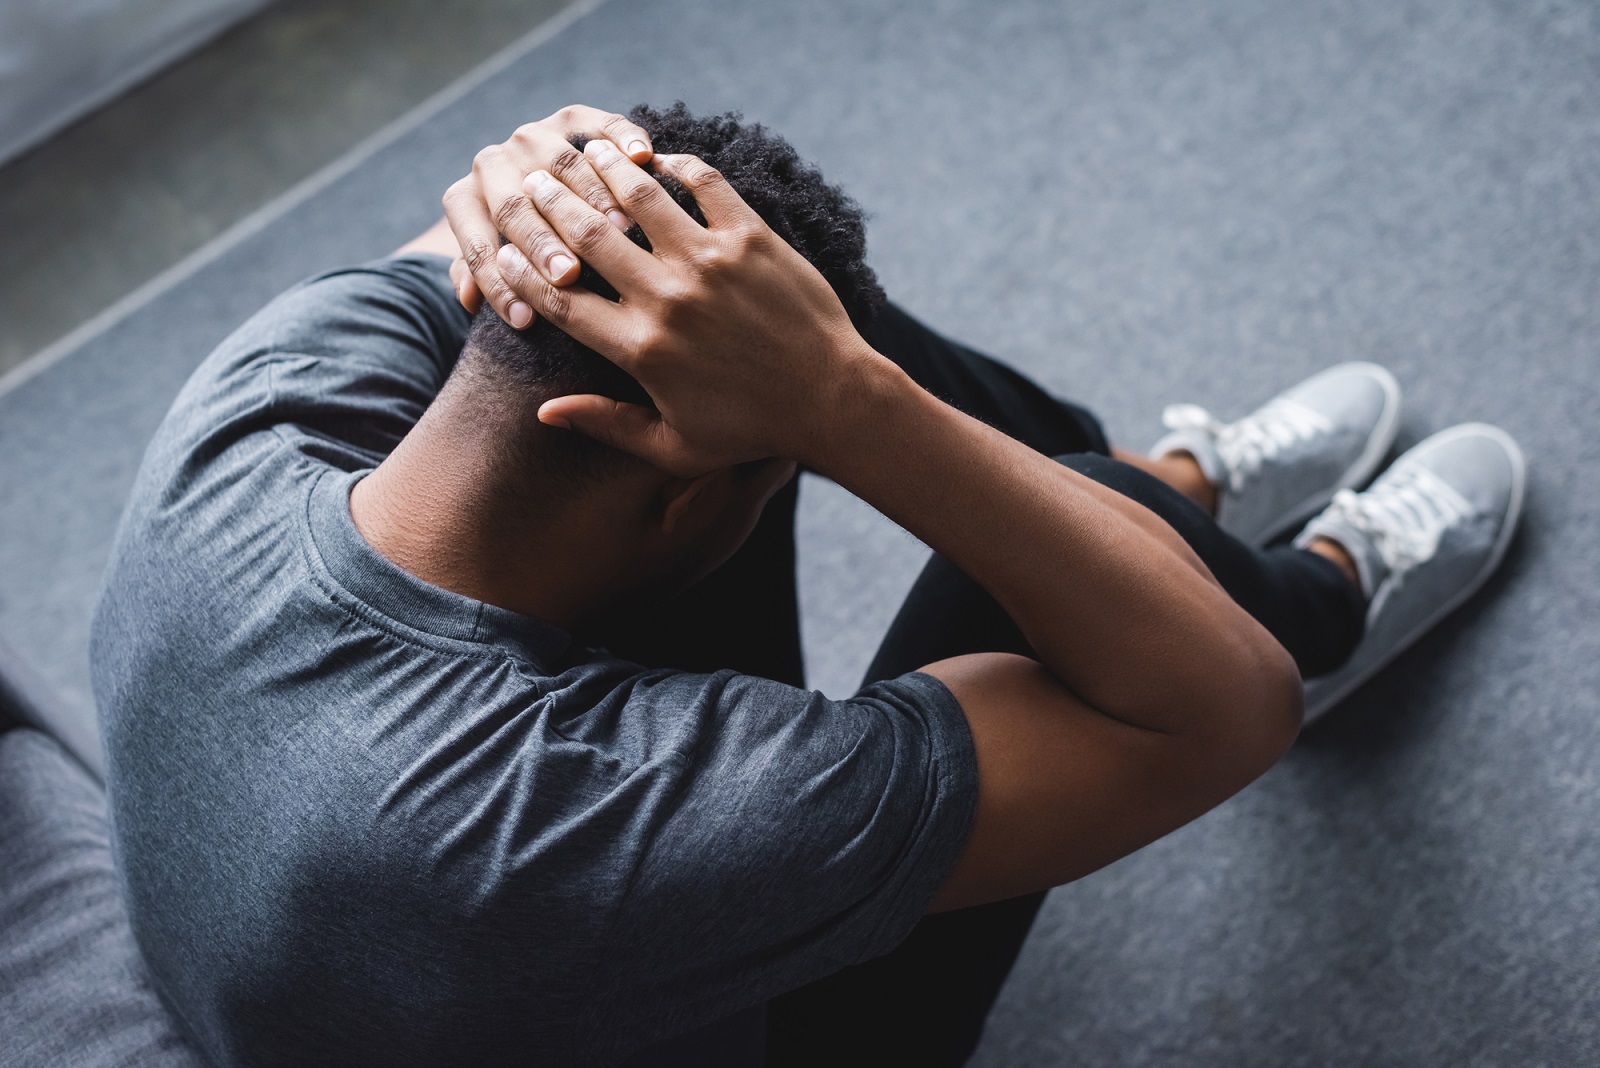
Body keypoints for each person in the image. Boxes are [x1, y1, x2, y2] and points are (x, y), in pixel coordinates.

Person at [92, 103, 1524, 1067]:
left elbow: (571, 239)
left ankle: (1141, 482)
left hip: (371, 954)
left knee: (706, 267)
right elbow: (1222, 711)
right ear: (689, 496)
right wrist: (854, 410)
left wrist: (595, 169)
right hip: (560, 963)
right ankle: (1303, 589)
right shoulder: (578, 827)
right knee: (1085, 529)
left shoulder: (271, 391)